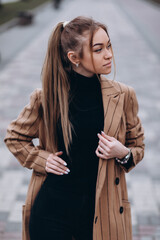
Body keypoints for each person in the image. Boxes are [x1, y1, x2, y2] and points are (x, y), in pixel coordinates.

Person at [4, 16, 145, 240]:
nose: (109, 54)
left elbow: (137, 146)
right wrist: (43, 159)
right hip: (51, 215)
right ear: (74, 57)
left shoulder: (123, 95)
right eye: (98, 49)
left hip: (101, 215)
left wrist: (123, 153)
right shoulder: (46, 98)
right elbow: (14, 137)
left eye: (109, 45)